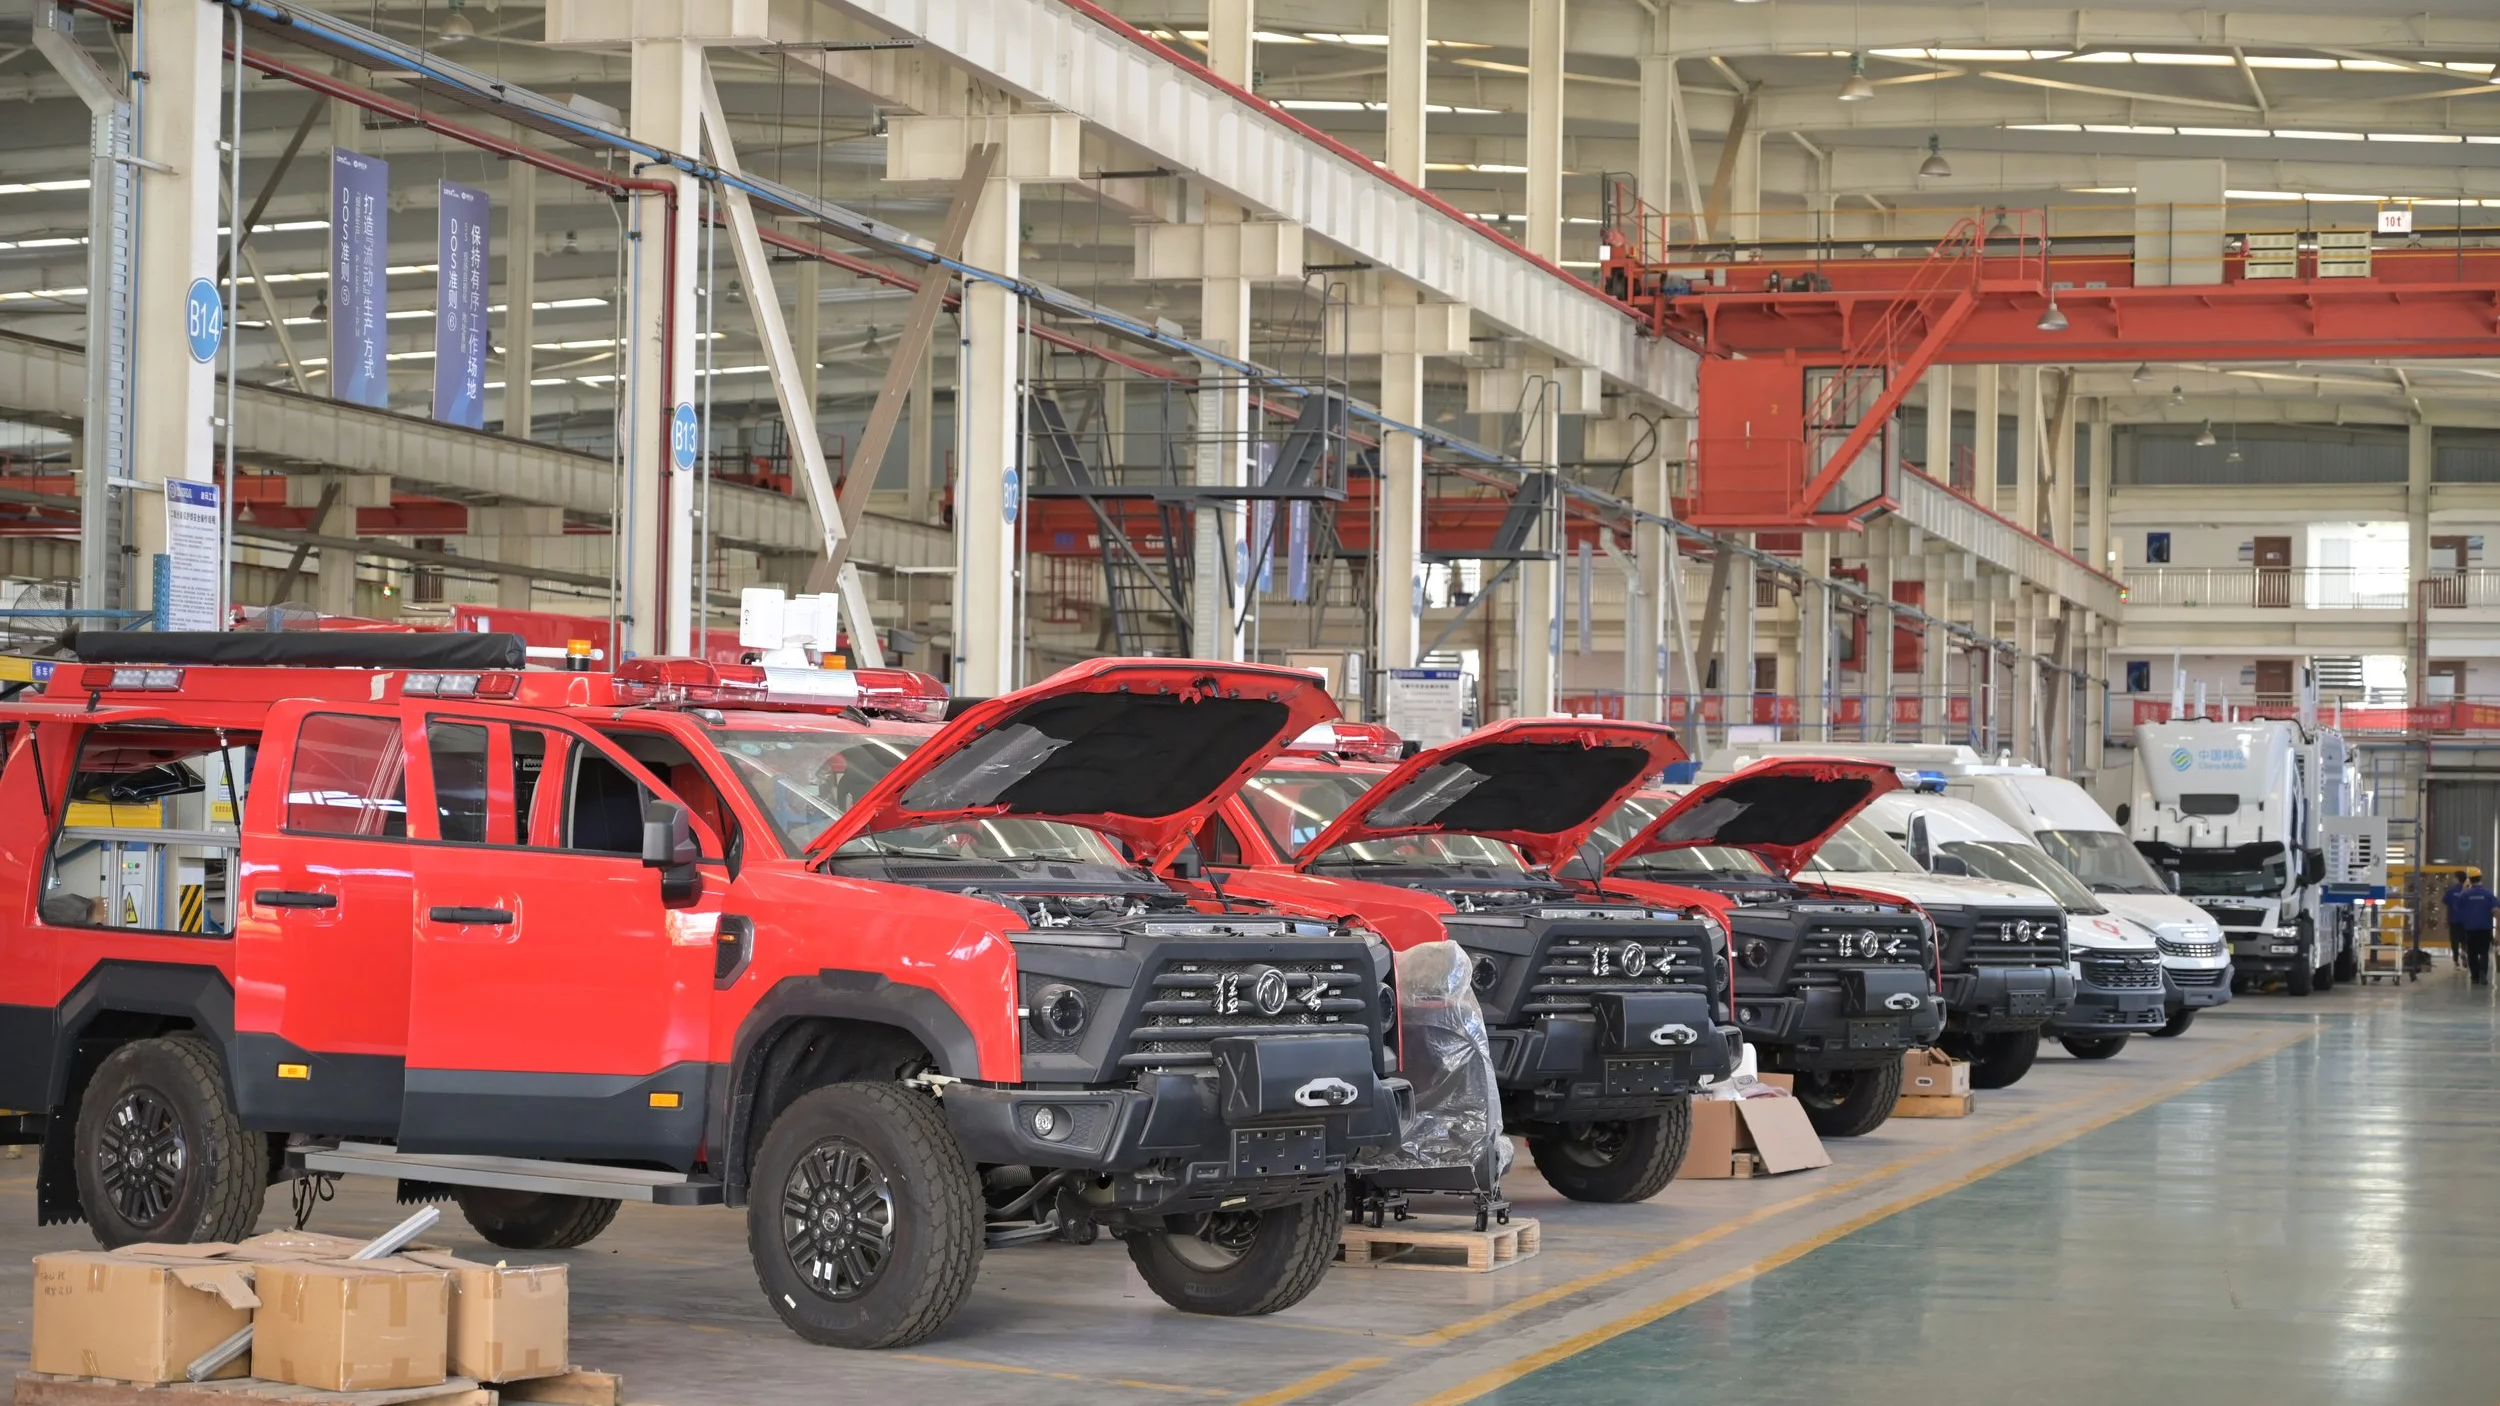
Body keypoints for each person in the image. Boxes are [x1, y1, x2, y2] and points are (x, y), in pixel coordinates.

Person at [2445, 872, 2496, 987]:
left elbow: (2457, 907)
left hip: (2470, 928)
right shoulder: (2488, 894)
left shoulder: (2465, 894)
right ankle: (2483, 972)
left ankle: (2475, 977)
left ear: (2470, 880)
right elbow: (2495, 909)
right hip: (2485, 928)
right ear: (2480, 879)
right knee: (2484, 953)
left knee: (2472, 953)